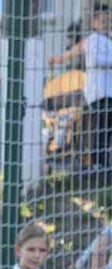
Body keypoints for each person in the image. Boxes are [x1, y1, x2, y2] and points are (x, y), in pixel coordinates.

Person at [49, 4, 112, 179]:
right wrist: (58, 60)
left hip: (109, 93)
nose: (106, 23)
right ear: (94, 23)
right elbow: (95, 60)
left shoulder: (108, 41)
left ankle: (105, 163)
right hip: (99, 93)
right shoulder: (92, 40)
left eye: (108, 20)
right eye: (102, 21)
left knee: (107, 130)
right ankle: (98, 164)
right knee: (100, 129)